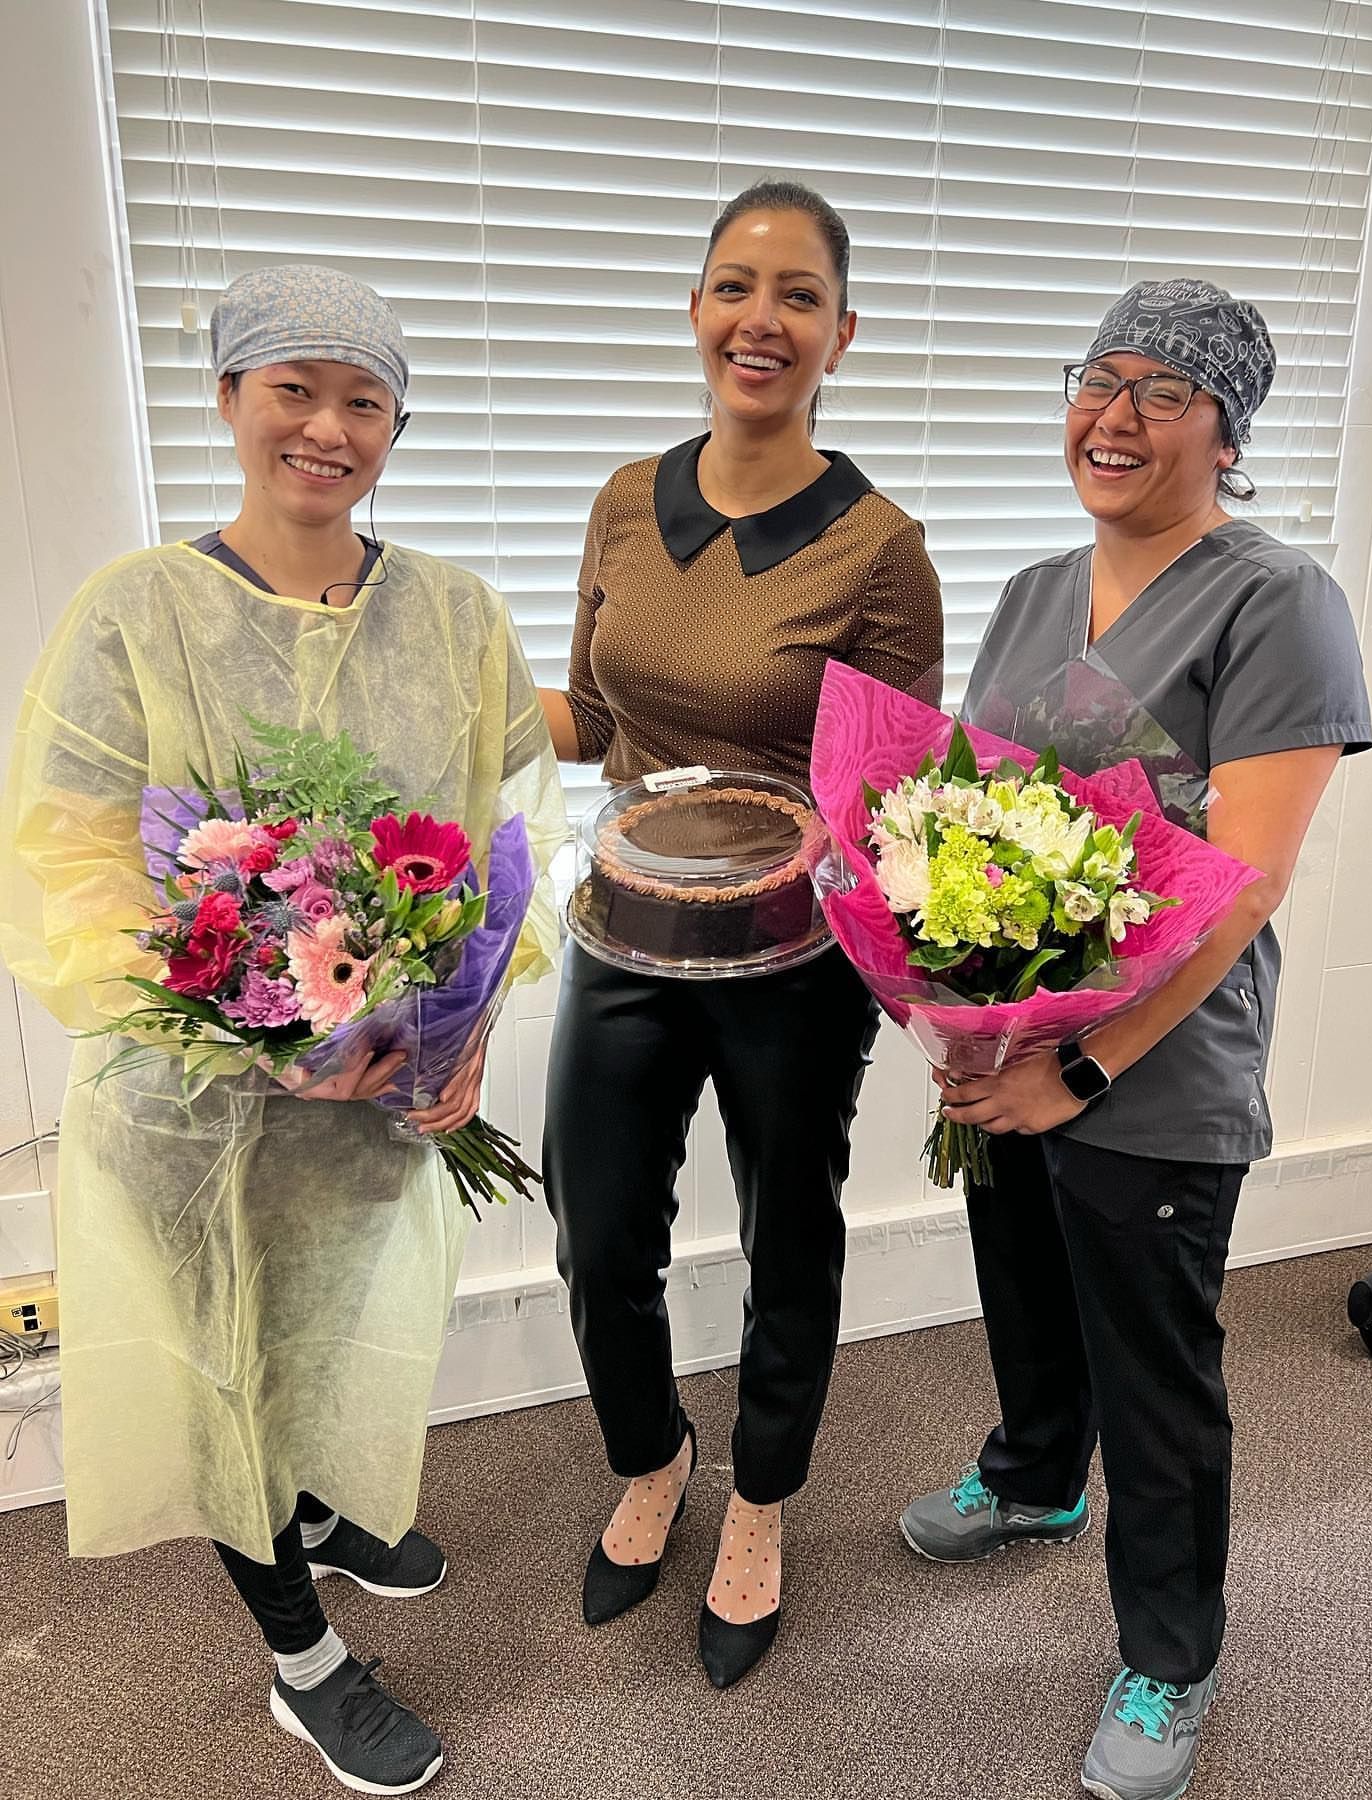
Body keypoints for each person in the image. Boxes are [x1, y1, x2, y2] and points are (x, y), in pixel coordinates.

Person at [0, 265, 566, 1796]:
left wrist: (447, 1042)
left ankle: (327, 1503)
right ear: (231, 400)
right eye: (292, 390)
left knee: (336, 1318)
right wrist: (267, 1039)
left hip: (384, 1087)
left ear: (397, 423)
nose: (328, 428)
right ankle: (303, 1665)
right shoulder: (140, 611)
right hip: (196, 1107)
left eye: (364, 400)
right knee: (229, 1359)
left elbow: (505, 835)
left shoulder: (452, 613)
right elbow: (69, 867)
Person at [897, 278, 1372, 1800]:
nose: (1113, 417)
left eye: (1162, 392)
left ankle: (1171, 1658)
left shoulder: (1276, 599)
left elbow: (1243, 883)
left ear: (1227, 429)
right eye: (1094, 381)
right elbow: (972, 819)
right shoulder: (1039, 588)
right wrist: (955, 1007)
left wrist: (1083, 1066)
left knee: (1157, 1370)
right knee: (1029, 1288)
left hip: (1154, 1069)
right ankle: (1038, 1479)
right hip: (1013, 1043)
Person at [537, 180, 944, 1688]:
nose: (757, 320)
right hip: (628, 927)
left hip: (794, 957)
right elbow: (594, 718)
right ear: (695, 309)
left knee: (790, 1226)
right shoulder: (622, 499)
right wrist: (470, 704)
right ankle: (651, 1460)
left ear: (842, 331)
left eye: (793, 296)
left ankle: (760, 1501)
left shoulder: (881, 550)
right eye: (731, 286)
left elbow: (890, 796)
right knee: (596, 1223)